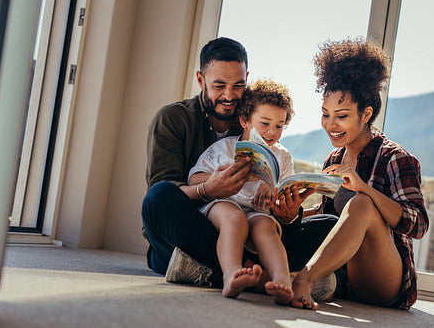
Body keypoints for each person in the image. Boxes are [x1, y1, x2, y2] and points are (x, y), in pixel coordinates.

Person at [141, 37, 337, 288]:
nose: (229, 95)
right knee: (158, 197)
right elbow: (165, 192)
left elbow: (281, 206)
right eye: (219, 85)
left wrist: (288, 216)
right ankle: (262, 276)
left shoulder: (255, 117)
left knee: (329, 227)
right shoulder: (173, 119)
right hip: (198, 228)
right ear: (201, 80)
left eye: (238, 85)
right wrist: (208, 190)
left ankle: (207, 270)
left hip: (257, 230)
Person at [289, 38, 429, 311]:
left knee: (362, 204)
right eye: (325, 114)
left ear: (365, 114)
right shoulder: (335, 158)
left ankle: (304, 280)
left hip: (387, 282)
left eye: (341, 116)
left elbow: (419, 224)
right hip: (345, 275)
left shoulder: (395, 158)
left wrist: (364, 189)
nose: (330, 125)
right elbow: (332, 219)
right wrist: (293, 212)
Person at [188, 78, 299, 303]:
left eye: (279, 126)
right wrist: (220, 177)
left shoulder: (283, 155)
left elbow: (286, 192)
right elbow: (194, 178)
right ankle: (231, 274)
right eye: (265, 123)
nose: (272, 132)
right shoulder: (225, 148)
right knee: (234, 217)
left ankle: (282, 280)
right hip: (224, 204)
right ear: (245, 120)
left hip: (258, 211)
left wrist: (273, 187)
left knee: (266, 227)